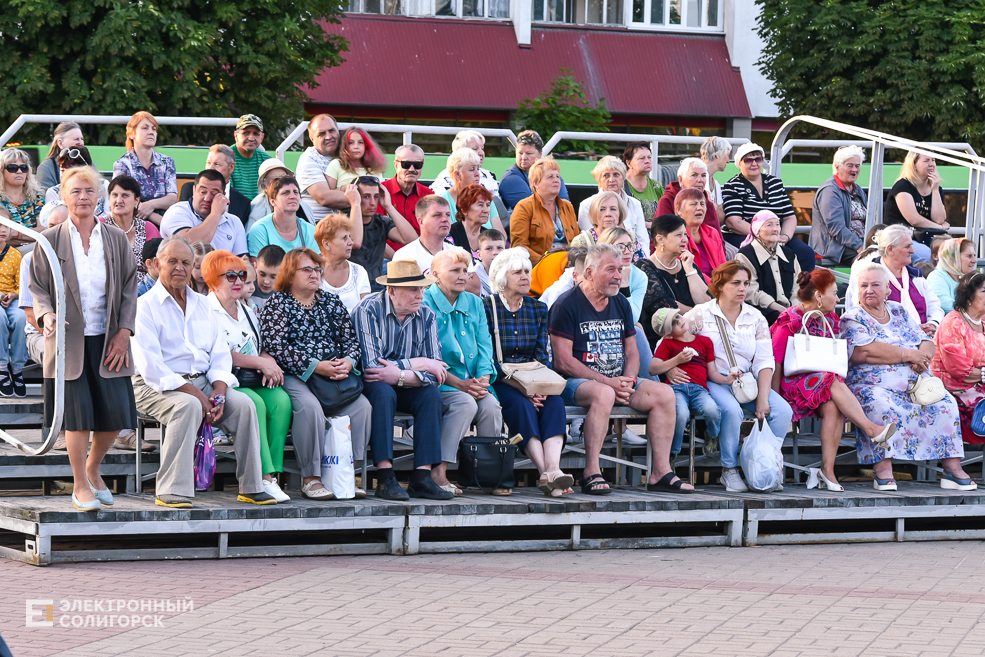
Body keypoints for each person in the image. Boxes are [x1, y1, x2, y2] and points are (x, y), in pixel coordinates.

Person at [131, 236, 274, 507]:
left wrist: (219, 391)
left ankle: (253, 486)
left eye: (186, 262)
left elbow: (220, 355)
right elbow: (152, 368)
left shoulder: (202, 305)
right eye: (172, 261)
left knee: (243, 405)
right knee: (188, 406)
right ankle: (172, 489)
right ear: (156, 264)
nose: (179, 268)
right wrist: (198, 394)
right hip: (153, 386)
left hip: (202, 384)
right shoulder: (144, 307)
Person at [29, 166, 140, 511]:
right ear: (63, 196)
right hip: (67, 342)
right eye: (76, 191)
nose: (83, 198)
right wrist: (47, 315)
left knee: (116, 414)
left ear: (99, 197)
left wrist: (124, 331)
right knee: (77, 418)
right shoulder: (48, 240)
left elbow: (128, 289)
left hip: (108, 339)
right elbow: (38, 288)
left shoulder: (116, 239)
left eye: (89, 191)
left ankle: (93, 468)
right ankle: (80, 485)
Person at [549, 243, 694, 494]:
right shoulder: (566, 305)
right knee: (603, 393)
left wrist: (627, 380)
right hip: (575, 383)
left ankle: (660, 472)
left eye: (620, 269)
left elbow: (631, 351)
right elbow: (563, 362)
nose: (618, 276)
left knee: (664, 394)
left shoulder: (621, 303)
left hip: (617, 381)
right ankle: (591, 471)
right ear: (590, 272)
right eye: (611, 270)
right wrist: (607, 383)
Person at [841, 261, 970, 491]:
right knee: (881, 405)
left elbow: (926, 341)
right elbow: (864, 352)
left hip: (915, 381)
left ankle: (952, 469)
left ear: (888, 289)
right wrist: (907, 354)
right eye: (864, 285)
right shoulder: (853, 317)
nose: (869, 290)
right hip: (872, 384)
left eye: (875, 285)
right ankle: (882, 470)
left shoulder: (898, 310)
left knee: (945, 404)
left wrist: (923, 358)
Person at [258, 247, 372, 500]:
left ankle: (346, 474)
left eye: (317, 269)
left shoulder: (330, 301)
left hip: (333, 373)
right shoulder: (278, 302)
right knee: (309, 408)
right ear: (290, 273)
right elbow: (275, 346)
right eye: (307, 269)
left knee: (362, 406)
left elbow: (350, 340)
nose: (315, 274)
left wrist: (348, 361)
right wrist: (314, 365)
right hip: (294, 374)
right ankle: (311, 478)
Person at [771, 269, 895, 491]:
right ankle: (871, 429)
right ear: (819, 295)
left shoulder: (830, 319)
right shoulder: (789, 319)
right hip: (791, 384)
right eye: (835, 293)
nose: (838, 299)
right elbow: (776, 362)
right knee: (832, 379)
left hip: (821, 382)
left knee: (832, 406)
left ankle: (827, 470)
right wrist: (773, 399)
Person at [350, 260, 455, 501]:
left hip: (407, 382)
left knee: (431, 395)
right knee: (383, 393)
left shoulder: (427, 315)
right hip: (371, 385)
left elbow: (436, 372)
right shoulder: (367, 310)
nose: (420, 295)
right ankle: (385, 477)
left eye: (422, 289)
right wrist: (419, 363)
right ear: (392, 290)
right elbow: (372, 368)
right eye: (413, 289)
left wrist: (400, 373)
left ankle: (422, 477)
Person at [694, 260, 794, 493]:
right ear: (720, 285)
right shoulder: (701, 313)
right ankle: (729, 470)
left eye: (746, 283)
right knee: (731, 410)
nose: (742, 288)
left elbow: (764, 360)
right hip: (714, 379)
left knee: (782, 411)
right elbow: (675, 340)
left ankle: (766, 464)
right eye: (736, 283)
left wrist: (763, 396)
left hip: (746, 381)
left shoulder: (755, 316)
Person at [202, 250, 292, 503]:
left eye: (241, 275)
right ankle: (262, 475)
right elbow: (217, 354)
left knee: (281, 401)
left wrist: (269, 362)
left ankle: (271, 473)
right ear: (212, 278)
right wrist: (260, 362)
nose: (238, 281)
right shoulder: (205, 309)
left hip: (250, 377)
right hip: (222, 380)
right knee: (257, 404)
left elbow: (259, 344)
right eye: (230, 276)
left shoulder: (247, 309)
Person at [483, 247, 574, 496]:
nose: (526, 277)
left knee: (554, 403)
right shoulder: (487, 307)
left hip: (533, 378)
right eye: (518, 273)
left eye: (527, 271)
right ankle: (546, 471)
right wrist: (525, 390)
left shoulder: (537, 308)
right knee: (521, 405)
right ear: (503, 278)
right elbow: (488, 360)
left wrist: (538, 388)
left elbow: (540, 356)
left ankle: (553, 470)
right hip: (503, 380)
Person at [423, 249, 503, 494]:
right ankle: (439, 472)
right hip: (441, 383)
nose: (463, 276)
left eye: (465, 271)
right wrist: (463, 385)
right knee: (465, 404)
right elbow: (429, 355)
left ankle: (488, 476)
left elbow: (484, 344)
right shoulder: (425, 302)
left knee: (490, 406)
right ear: (435, 274)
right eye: (455, 271)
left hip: (474, 383)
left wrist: (484, 379)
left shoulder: (474, 301)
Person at [722, 143, 815, 272]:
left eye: (758, 159)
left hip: (776, 234)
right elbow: (733, 221)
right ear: (740, 164)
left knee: (806, 254)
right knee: (762, 256)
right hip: (745, 235)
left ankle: (800, 290)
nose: (754, 163)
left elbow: (789, 217)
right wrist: (764, 236)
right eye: (748, 160)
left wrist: (784, 237)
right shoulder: (733, 186)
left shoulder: (775, 183)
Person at [649, 308, 723, 465]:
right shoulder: (668, 343)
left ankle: (712, 435)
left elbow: (712, 372)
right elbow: (653, 368)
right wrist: (676, 360)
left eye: (678, 316)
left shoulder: (705, 342)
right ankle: (673, 452)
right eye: (673, 323)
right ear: (668, 334)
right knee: (681, 414)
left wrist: (727, 379)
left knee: (713, 410)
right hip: (676, 389)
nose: (679, 320)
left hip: (699, 389)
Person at [847, 224, 944, 335]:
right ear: (890, 249)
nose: (912, 251)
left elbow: (934, 306)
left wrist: (931, 325)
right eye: (907, 247)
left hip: (924, 339)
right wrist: (911, 331)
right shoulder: (868, 276)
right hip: (889, 345)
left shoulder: (915, 276)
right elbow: (864, 316)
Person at [639, 215, 711, 349]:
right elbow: (665, 306)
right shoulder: (644, 268)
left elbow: (706, 302)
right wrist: (702, 317)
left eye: (685, 234)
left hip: (695, 334)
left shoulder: (688, 264)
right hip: (663, 340)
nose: (685, 239)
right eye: (679, 235)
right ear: (660, 239)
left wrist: (689, 270)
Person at [933, 271, 985, 446]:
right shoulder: (953, 322)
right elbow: (960, 371)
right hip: (956, 392)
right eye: (984, 291)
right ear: (969, 297)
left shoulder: (983, 323)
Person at [735, 210, 802, 325]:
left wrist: (795, 309)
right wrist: (779, 309)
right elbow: (750, 290)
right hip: (760, 313)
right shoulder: (745, 255)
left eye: (777, 224)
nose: (775, 229)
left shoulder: (789, 254)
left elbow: (798, 286)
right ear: (757, 229)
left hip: (791, 312)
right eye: (769, 225)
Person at [349, 178, 418, 290]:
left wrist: (388, 206)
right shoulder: (341, 222)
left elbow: (411, 239)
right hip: (352, 288)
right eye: (366, 196)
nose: (372, 203)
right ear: (354, 196)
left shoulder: (381, 221)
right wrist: (355, 204)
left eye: (376, 196)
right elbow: (356, 242)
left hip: (377, 287)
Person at [160, 170, 248, 256]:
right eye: (203, 192)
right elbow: (189, 246)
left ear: (223, 196)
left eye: (214, 194)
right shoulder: (177, 211)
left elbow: (243, 261)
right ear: (194, 190)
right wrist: (216, 213)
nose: (207, 198)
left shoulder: (234, 221)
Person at [510, 157, 579, 264]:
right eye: (550, 177)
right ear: (536, 183)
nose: (556, 180)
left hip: (569, 265)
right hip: (540, 266)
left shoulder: (567, 206)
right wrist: (547, 262)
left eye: (557, 176)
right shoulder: (524, 207)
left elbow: (576, 242)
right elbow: (519, 247)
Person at [112, 111, 177, 225]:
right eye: (145, 128)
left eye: (153, 129)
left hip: (166, 220)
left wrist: (151, 205)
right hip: (135, 223)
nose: (151, 132)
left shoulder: (167, 162)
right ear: (131, 134)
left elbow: (172, 197)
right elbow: (121, 200)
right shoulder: (122, 164)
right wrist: (153, 216)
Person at [577, 156, 649, 254]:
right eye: (606, 175)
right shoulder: (587, 205)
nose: (611, 179)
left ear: (623, 178)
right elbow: (590, 241)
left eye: (616, 174)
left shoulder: (635, 204)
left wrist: (641, 263)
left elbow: (643, 240)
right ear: (599, 180)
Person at [810, 145, 867, 267]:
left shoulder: (858, 190)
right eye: (850, 165)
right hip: (835, 246)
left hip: (858, 243)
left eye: (857, 166)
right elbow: (837, 229)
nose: (855, 169)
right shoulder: (830, 190)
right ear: (837, 167)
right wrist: (860, 246)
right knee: (872, 261)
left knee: (892, 255)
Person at [884, 149, 947, 259]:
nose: (931, 164)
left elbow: (939, 219)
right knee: (927, 255)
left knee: (954, 252)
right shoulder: (903, 185)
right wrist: (939, 228)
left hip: (925, 238)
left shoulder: (936, 188)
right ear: (913, 165)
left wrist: (935, 190)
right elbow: (914, 219)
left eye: (933, 160)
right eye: (926, 160)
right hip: (899, 240)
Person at [102, 175, 162, 289]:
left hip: (145, 292)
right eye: (114, 195)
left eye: (125, 195)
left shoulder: (148, 228)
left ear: (136, 201)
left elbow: (160, 265)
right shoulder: (99, 226)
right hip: (108, 290)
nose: (118, 200)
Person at [392, 196, 469, 279]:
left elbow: (475, 288)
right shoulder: (405, 255)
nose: (445, 219)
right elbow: (404, 291)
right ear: (421, 222)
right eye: (437, 215)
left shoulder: (460, 252)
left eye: (448, 215)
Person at [179, 145, 251, 228]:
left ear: (231, 167)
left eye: (217, 164)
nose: (210, 168)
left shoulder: (243, 203)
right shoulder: (189, 189)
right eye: (208, 163)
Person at [246, 176, 320, 256]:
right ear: (273, 201)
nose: (293, 196)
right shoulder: (260, 230)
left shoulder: (310, 230)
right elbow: (257, 266)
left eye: (295, 192)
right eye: (285, 193)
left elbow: (316, 265)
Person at [499, 130, 571, 211]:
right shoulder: (511, 179)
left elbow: (565, 207)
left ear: (540, 154)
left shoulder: (553, 175)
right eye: (520, 153)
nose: (523, 157)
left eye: (529, 153)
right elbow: (531, 211)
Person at [438, 149, 506, 234]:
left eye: (478, 168)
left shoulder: (485, 196)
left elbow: (501, 234)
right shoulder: (443, 201)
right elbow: (451, 237)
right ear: (457, 174)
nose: (478, 173)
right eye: (472, 169)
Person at [297, 114, 348, 223]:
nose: (329, 137)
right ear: (312, 139)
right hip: (318, 224)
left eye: (332, 131)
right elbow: (325, 198)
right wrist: (363, 198)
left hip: (350, 223)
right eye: (321, 134)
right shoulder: (309, 158)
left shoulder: (350, 152)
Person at [571, 191, 647, 263]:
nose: (608, 214)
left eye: (613, 209)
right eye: (602, 209)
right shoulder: (581, 241)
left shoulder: (630, 237)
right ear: (594, 213)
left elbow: (643, 266)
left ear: (620, 213)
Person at [316, 213, 371, 311]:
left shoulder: (359, 271)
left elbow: (366, 312)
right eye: (344, 238)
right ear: (326, 244)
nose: (351, 242)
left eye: (350, 237)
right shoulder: (312, 273)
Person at [41, 146, 109, 222]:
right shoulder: (53, 192)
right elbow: (53, 221)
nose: (65, 175)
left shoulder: (103, 185)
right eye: (62, 170)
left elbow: (110, 214)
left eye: (71, 170)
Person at [382, 144, 431, 247]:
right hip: (388, 258)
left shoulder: (429, 195)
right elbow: (375, 235)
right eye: (406, 164)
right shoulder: (380, 192)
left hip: (420, 255)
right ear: (396, 165)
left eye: (417, 165)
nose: (412, 169)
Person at [247, 159, 317, 229]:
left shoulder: (302, 204)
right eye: (275, 179)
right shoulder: (258, 206)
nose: (281, 182)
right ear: (264, 186)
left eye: (284, 177)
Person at [656, 158, 721, 233]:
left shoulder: (707, 202)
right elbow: (664, 235)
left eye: (703, 175)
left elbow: (718, 237)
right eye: (694, 175)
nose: (700, 180)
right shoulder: (668, 200)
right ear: (681, 179)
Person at [677, 187, 727, 279]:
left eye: (702, 204)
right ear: (679, 210)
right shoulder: (676, 236)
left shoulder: (712, 232)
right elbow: (684, 273)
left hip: (716, 287)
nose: (700, 208)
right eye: (693, 204)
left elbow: (723, 267)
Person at [430, 130, 500, 195]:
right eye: (475, 148)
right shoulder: (446, 178)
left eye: (482, 148)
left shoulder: (489, 175)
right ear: (460, 152)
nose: (481, 153)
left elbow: (497, 206)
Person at [0, 224, 26, 396]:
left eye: (5, 226)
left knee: (21, 317)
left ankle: (17, 367)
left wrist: (13, 295)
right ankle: (2, 366)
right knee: (0, 318)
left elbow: (21, 284)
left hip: (11, 299)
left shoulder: (16, 255)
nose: (2, 229)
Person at [0, 149, 45, 240]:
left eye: (24, 167)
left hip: (35, 249)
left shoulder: (37, 196)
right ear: (1, 171)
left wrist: (17, 235)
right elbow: (4, 239)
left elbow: (45, 231)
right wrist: (32, 236)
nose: (19, 171)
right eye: (12, 168)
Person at [326, 128, 386, 192]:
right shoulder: (336, 164)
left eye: (360, 142)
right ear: (344, 146)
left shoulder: (375, 167)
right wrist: (344, 188)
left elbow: (382, 194)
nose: (356, 146)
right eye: (351, 143)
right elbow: (328, 196)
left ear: (366, 145)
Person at [927, 238, 978, 314]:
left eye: (974, 255)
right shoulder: (936, 277)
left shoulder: (966, 278)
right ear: (954, 258)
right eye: (969, 256)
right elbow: (945, 305)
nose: (975, 260)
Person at [228, 114, 271, 197]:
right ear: (236, 135)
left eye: (256, 134)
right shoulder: (225, 158)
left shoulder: (267, 161)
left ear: (262, 137)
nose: (251, 138)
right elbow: (226, 194)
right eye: (246, 133)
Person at [448, 183, 495, 260]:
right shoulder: (450, 234)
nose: (486, 210)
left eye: (488, 205)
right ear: (464, 209)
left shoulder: (490, 236)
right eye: (480, 205)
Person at [622, 142, 663, 225]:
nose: (647, 161)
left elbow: (666, 216)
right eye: (642, 158)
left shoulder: (657, 186)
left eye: (649, 157)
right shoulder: (620, 186)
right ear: (629, 163)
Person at [37, 121, 84, 192]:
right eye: (76, 139)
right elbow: (46, 198)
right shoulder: (47, 167)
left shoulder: (89, 164)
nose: (81, 143)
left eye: (82, 139)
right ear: (60, 143)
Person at [700, 136, 732, 222]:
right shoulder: (696, 178)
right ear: (718, 155)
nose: (729, 160)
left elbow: (721, 220)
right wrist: (715, 207)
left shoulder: (716, 184)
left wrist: (712, 205)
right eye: (727, 155)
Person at [252, 244, 284, 311]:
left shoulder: (286, 295)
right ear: (255, 267)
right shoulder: (246, 289)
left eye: (273, 277)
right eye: (262, 274)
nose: (266, 282)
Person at [475, 229, 505, 297]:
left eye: (500, 248)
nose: (495, 252)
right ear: (479, 255)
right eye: (489, 248)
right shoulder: (473, 278)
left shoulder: (513, 275)